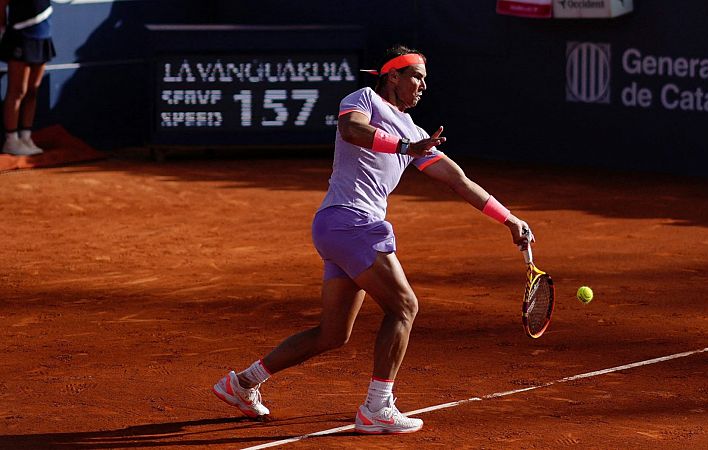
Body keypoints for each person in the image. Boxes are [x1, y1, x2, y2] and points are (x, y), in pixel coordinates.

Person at [213, 44, 533, 434]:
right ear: (392, 76)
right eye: (415, 76)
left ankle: (242, 383)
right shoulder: (363, 99)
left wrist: (509, 219)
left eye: (425, 80)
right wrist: (404, 148)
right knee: (404, 307)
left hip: (339, 229)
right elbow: (353, 130)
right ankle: (377, 407)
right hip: (351, 222)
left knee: (332, 334)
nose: (422, 86)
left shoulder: (416, 133)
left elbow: (458, 180)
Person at [0, 0, 55, 156]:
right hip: (20, 35)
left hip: (43, 34)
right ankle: (11, 140)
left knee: (33, 90)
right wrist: (2, 30)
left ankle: (25, 137)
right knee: (18, 91)